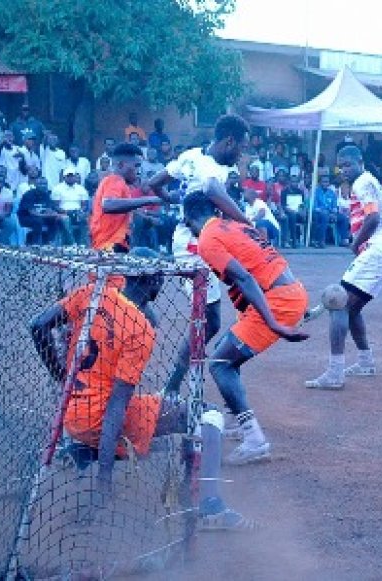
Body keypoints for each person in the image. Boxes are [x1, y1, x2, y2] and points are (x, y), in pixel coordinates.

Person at [30, 248, 253, 530]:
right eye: (160, 278)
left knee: (157, 416)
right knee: (208, 416)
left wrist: (64, 378)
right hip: (99, 418)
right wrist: (104, 479)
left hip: (70, 412)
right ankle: (209, 507)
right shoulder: (139, 329)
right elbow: (116, 407)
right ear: (155, 282)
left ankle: (82, 450)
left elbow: (37, 325)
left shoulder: (91, 292)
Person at [182, 192, 309, 463]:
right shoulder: (235, 224)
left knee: (219, 363)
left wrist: (275, 323)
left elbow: (244, 276)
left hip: (277, 301)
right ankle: (241, 424)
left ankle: (254, 439)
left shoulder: (207, 239)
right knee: (226, 354)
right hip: (289, 291)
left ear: (187, 219)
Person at [145, 115, 255, 401]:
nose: (241, 155)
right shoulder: (210, 170)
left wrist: (169, 198)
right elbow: (213, 192)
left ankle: (185, 383)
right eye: (240, 148)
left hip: (201, 240)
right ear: (229, 141)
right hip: (195, 245)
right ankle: (172, 389)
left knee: (213, 318)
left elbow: (154, 182)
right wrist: (247, 225)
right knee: (207, 318)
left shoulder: (191, 155)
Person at [305, 145, 382, 390]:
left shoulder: (362, 182)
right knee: (352, 308)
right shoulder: (368, 182)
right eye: (341, 166)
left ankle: (335, 373)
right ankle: (365, 362)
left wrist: (355, 244)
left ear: (360, 161)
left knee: (338, 303)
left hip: (378, 248)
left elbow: (373, 218)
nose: (344, 170)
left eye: (348, 164)